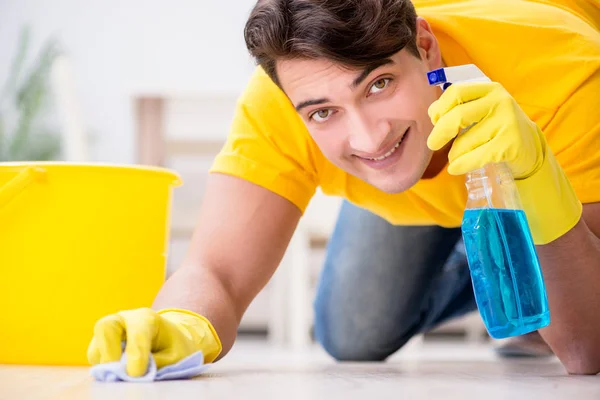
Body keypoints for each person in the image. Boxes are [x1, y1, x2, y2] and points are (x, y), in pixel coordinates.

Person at [87, 0, 600, 376]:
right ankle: (498, 261)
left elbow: (589, 348)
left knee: (563, 307)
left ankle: (522, 274)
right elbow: (215, 270)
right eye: (324, 113)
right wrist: (180, 323)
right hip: (421, 168)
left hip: (544, 152)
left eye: (379, 84)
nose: (368, 137)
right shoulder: (285, 98)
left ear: (425, 48)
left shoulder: (563, 72)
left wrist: (535, 178)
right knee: (354, 334)